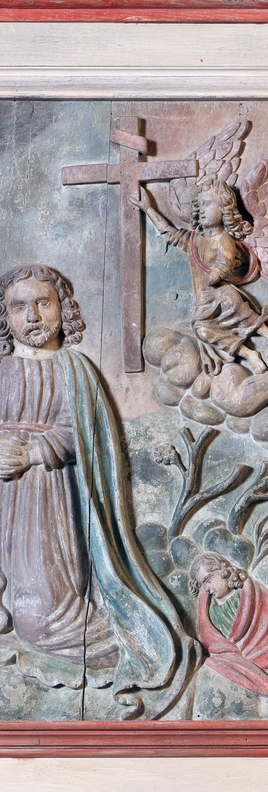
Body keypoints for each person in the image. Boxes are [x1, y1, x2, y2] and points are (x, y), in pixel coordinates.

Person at [0, 263, 195, 716]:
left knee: (39, 618)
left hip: (47, 502)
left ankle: (116, 636)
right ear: (5, 317)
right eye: (19, 307)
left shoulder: (75, 370)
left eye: (43, 303)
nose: (32, 316)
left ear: (63, 310)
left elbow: (86, 432)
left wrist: (36, 450)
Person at [132, 181, 268, 376]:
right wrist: (148, 209)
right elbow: (168, 232)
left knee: (232, 302)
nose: (202, 210)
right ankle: (249, 354)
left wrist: (210, 279)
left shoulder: (224, 240)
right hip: (204, 302)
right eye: (200, 205)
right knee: (202, 331)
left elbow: (224, 266)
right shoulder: (193, 240)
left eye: (207, 204)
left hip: (219, 292)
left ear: (224, 207)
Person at [189, 552, 268, 703]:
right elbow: (216, 646)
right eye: (203, 584)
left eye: (208, 580)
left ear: (222, 570)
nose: (206, 588)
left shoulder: (253, 594)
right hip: (234, 667)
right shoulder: (211, 612)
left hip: (267, 661)